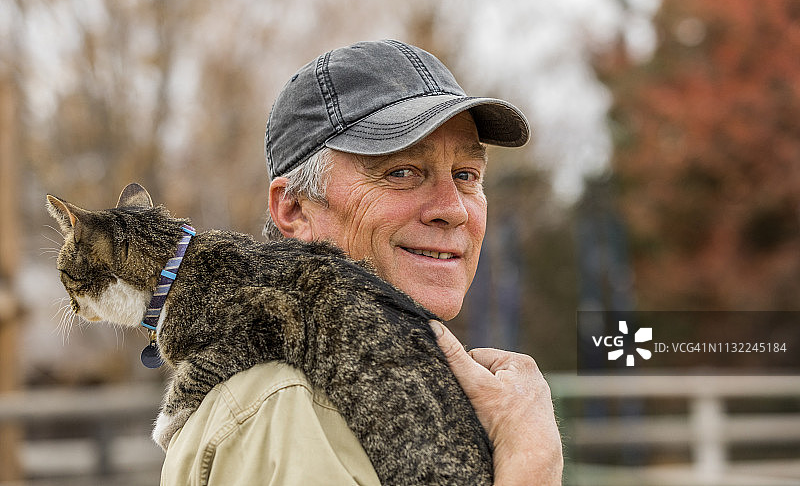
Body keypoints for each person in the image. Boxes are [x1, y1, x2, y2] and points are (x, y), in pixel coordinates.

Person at [161, 40, 563, 485]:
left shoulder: (381, 394)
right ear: (294, 209)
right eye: (402, 172)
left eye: (466, 175)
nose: (454, 209)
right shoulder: (288, 407)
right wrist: (533, 461)